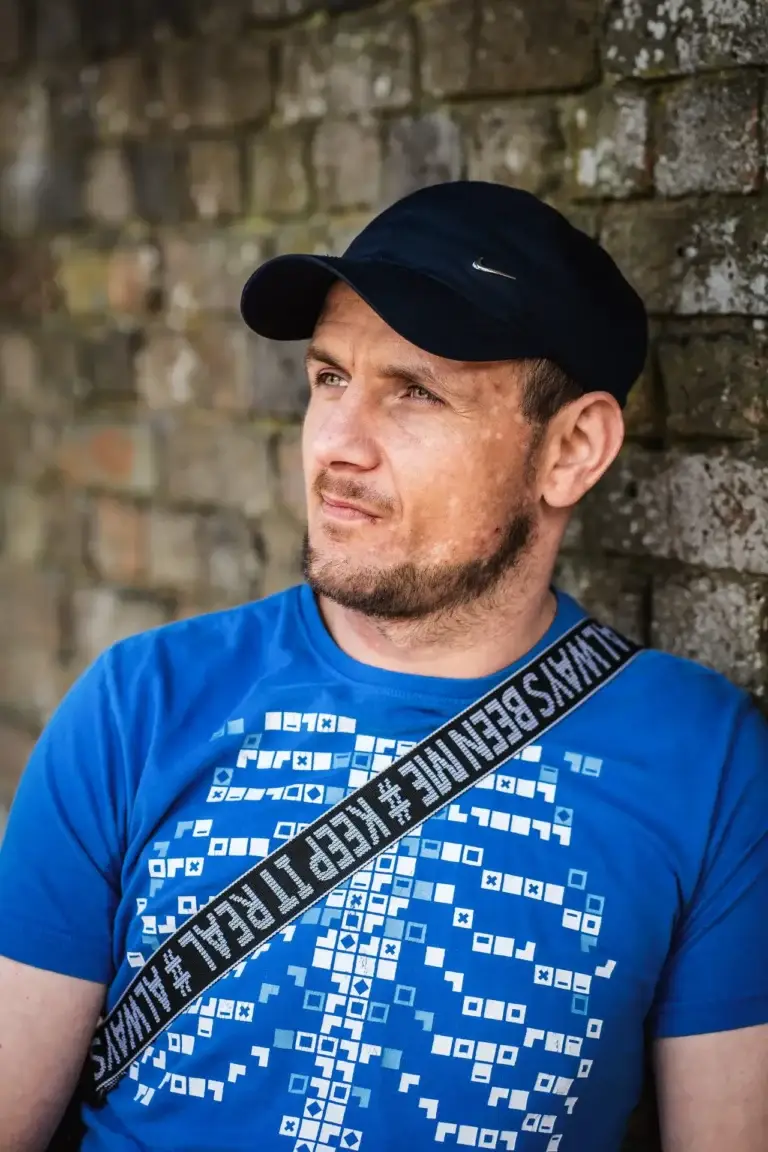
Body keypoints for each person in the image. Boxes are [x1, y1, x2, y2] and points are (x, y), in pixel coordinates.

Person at [0, 181, 766, 1152]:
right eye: (328, 379)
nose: (336, 447)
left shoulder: (704, 761)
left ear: (571, 450)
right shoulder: (139, 704)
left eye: (413, 392)